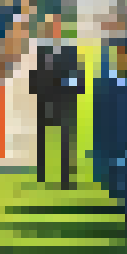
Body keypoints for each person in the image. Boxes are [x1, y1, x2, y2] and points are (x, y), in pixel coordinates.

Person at [30, 23, 84, 188]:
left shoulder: (70, 52)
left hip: (64, 102)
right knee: (42, 140)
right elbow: (35, 78)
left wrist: (69, 89)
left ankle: (66, 179)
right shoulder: (41, 52)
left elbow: (78, 79)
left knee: (67, 142)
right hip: (45, 100)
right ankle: (41, 174)